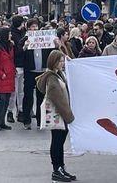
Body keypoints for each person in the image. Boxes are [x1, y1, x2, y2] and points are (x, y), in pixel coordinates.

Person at [35, 50, 76, 183]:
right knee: (57, 142)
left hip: (61, 114)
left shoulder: (57, 74)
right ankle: (56, 170)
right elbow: (58, 99)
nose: (62, 63)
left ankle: (61, 168)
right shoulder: (52, 78)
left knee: (59, 142)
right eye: (60, 61)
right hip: (59, 114)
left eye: (63, 61)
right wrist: (68, 116)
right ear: (54, 62)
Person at [21, 18, 56, 130]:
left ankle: (40, 120)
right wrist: (25, 46)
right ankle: (27, 120)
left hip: (42, 72)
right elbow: (19, 53)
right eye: (32, 26)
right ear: (28, 28)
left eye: (36, 26)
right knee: (28, 96)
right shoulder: (25, 39)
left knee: (41, 97)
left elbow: (52, 52)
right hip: (30, 72)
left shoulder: (45, 39)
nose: (34, 28)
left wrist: (56, 44)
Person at [9, 15, 26, 124]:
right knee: (13, 91)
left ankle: (20, 111)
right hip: (15, 65)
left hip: (23, 65)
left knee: (21, 91)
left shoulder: (23, 33)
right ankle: (10, 111)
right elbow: (16, 51)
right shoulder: (12, 35)